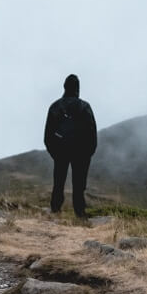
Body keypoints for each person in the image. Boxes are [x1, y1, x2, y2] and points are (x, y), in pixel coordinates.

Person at [44, 73, 98, 217]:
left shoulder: (55, 106)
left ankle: (55, 210)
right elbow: (92, 133)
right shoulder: (85, 107)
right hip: (80, 152)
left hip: (60, 150)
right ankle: (80, 213)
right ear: (77, 88)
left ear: (65, 87)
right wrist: (88, 153)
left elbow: (48, 135)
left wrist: (54, 152)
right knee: (79, 185)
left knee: (59, 181)